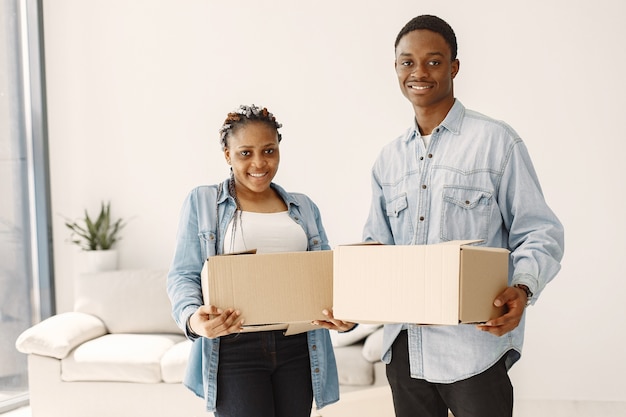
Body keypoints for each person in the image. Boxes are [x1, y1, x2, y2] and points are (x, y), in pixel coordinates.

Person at [362, 15, 565, 417]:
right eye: (407, 62)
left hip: (473, 350)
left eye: (433, 61)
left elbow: (540, 231)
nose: (419, 72)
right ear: (396, 69)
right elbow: (375, 246)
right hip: (405, 351)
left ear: (454, 67)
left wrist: (522, 289)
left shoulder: (496, 142)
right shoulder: (388, 160)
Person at [167, 104, 353, 417]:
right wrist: (192, 319)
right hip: (235, 349)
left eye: (269, 151)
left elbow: (328, 276)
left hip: (300, 348)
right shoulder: (203, 202)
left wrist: (349, 315)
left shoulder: (304, 207)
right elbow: (183, 274)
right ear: (227, 154)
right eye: (245, 153)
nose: (259, 163)